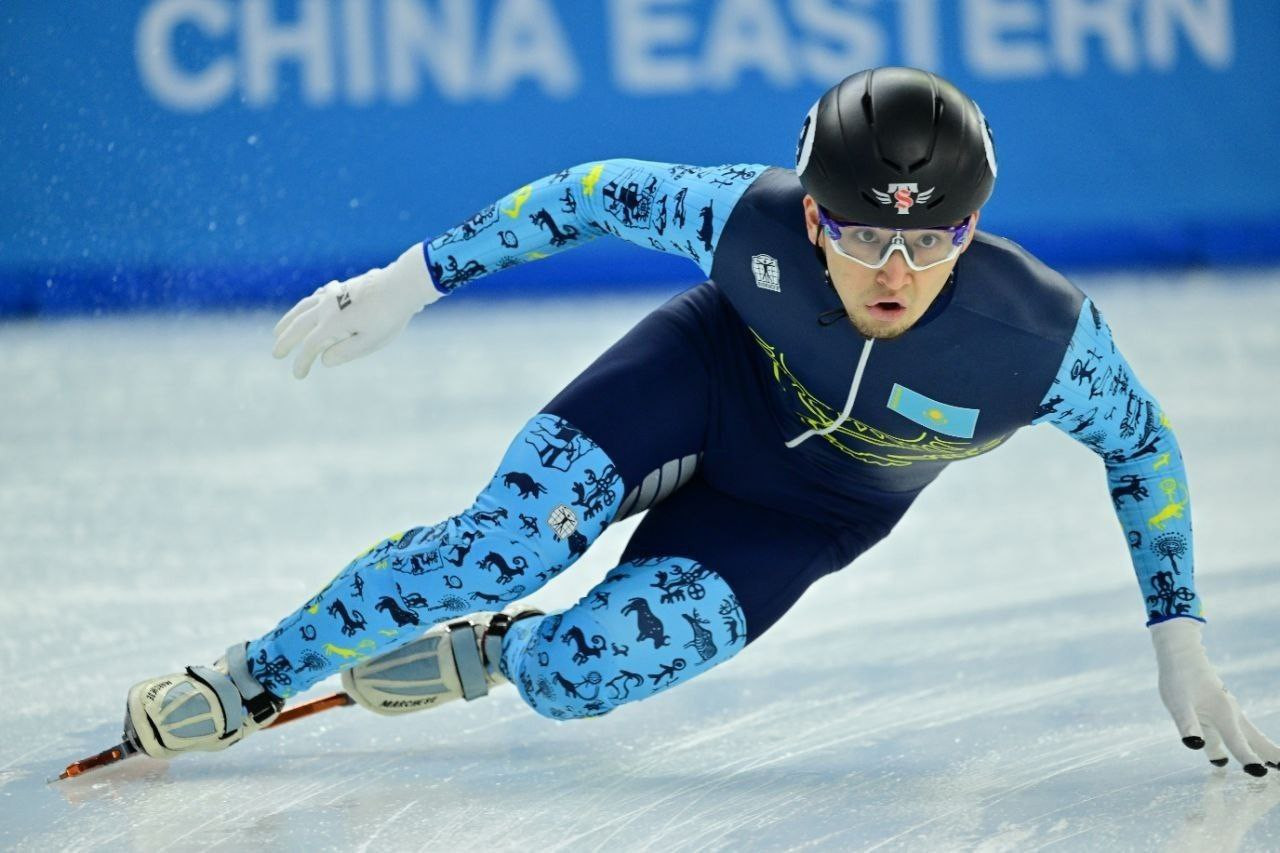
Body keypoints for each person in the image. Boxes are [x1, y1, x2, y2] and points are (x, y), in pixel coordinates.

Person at [124, 66, 1278, 775]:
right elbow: (584, 194)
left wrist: (1176, 638)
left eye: (929, 240)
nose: (893, 270)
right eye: (860, 233)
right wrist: (404, 284)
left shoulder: (1039, 338)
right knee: (496, 547)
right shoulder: (742, 218)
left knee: (576, 677)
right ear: (811, 216)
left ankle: (495, 654)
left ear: (969, 231)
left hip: (805, 514)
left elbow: (1141, 446)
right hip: (701, 380)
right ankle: (254, 674)